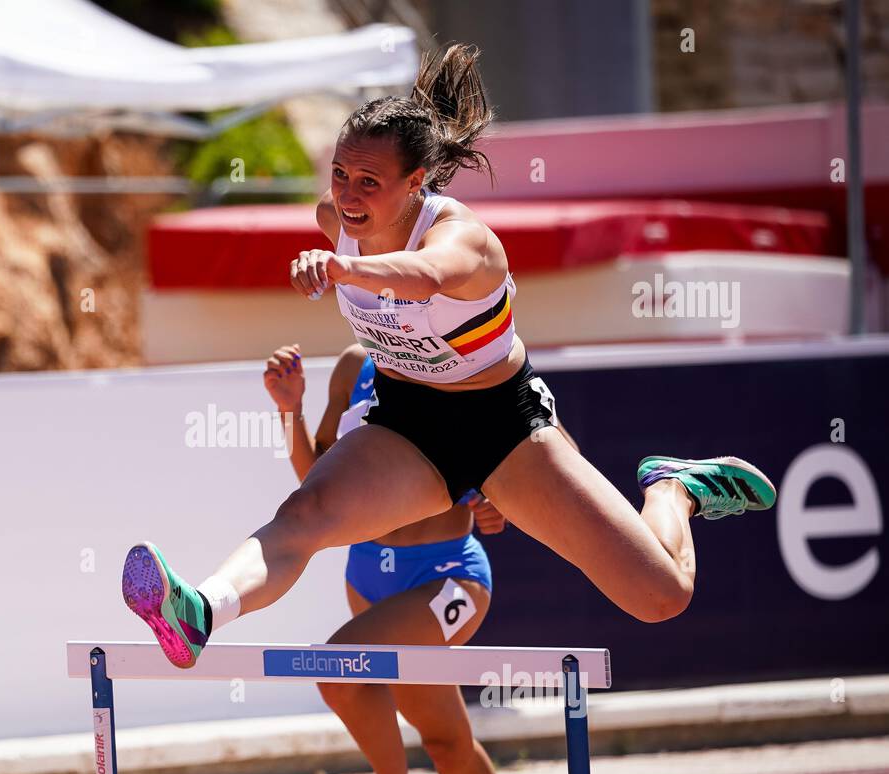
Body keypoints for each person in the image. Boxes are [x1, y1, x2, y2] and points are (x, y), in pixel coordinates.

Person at [121, 43, 774, 717]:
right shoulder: (338, 220)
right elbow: (352, 229)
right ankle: (200, 609)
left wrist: (347, 272)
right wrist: (346, 255)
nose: (348, 195)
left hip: (502, 427)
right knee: (306, 518)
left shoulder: (465, 241)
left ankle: (671, 490)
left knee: (659, 597)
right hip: (408, 422)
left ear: (419, 182)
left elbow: (426, 277)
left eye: (369, 182)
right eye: (341, 174)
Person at [262, 340, 547, 774]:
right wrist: (290, 410)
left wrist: (495, 501)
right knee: (447, 743)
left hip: (449, 578)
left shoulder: (467, 358)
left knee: (336, 668)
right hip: (369, 577)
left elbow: (513, 462)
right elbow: (317, 484)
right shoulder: (353, 364)